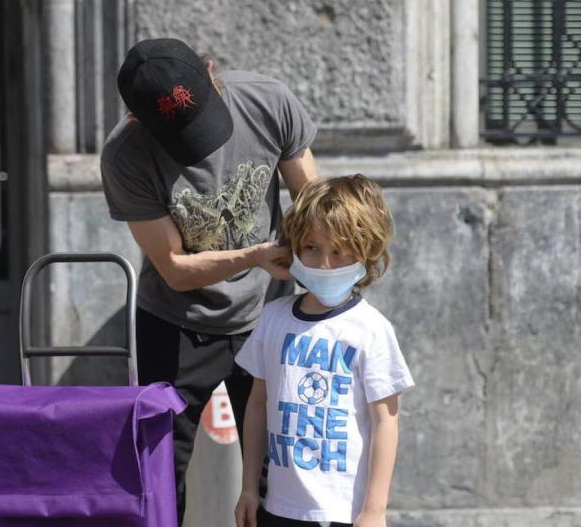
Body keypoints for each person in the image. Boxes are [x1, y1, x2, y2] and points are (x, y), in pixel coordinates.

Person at [100, 37, 319, 524]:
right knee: (157, 477)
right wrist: (254, 255)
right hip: (176, 324)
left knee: (279, 475)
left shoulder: (268, 102)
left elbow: (315, 204)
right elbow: (175, 269)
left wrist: (329, 280)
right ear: (136, 119)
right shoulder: (125, 155)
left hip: (268, 315)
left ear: (212, 73)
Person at [233, 175, 415, 527]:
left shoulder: (371, 329)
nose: (325, 264)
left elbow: (386, 421)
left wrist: (374, 510)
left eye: (339, 251)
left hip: (343, 513)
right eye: (312, 248)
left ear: (366, 251)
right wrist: (249, 488)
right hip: (279, 509)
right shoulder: (273, 318)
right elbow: (257, 404)